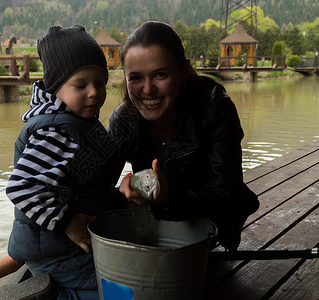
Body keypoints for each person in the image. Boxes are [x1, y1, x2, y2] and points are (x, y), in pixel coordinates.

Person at [0, 24, 125, 299]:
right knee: (118, 287)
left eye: (100, 82)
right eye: (81, 84)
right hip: (58, 250)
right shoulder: (56, 131)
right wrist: (68, 223)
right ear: (56, 87)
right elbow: (23, 187)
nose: (94, 92)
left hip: (63, 245)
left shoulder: (75, 120)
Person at [110, 20, 259, 251]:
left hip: (212, 226)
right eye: (136, 78)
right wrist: (128, 191)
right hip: (155, 229)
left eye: (160, 75)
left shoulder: (214, 109)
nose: (147, 89)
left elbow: (227, 198)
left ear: (183, 72)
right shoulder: (122, 120)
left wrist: (169, 199)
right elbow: (100, 185)